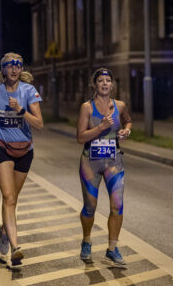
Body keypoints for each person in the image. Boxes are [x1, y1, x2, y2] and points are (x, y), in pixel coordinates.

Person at [0, 52, 43, 265]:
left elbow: (39, 124)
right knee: (8, 197)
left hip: (25, 151)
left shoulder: (29, 91)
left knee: (13, 199)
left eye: (18, 65)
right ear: (3, 69)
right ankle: (16, 248)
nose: (15, 69)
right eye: (10, 65)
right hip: (1, 148)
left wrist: (20, 110)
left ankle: (4, 230)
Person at [76, 68, 132, 266]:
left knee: (117, 205)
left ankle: (112, 248)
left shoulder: (120, 105)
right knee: (90, 207)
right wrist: (100, 128)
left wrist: (126, 131)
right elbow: (80, 137)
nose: (105, 83)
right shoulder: (87, 108)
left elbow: (127, 120)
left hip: (114, 161)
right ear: (94, 84)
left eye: (108, 80)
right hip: (90, 161)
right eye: (101, 80)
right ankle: (86, 241)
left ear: (112, 84)